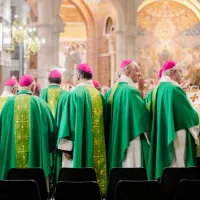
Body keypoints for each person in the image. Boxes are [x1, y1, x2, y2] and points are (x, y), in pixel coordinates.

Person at [56, 63, 107, 197]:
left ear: (78, 75)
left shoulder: (74, 94)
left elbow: (69, 123)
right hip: (99, 149)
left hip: (79, 147)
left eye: (73, 75)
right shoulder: (99, 95)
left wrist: (67, 148)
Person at [146, 60, 200, 180]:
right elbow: (190, 116)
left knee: (167, 170)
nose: (181, 76)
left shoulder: (156, 89)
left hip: (161, 135)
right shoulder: (174, 89)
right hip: (176, 135)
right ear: (174, 72)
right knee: (178, 165)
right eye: (180, 72)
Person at [0, 75, 57, 181]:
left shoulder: (7, 105)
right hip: (35, 161)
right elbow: (52, 132)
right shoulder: (41, 104)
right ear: (32, 87)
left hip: (11, 165)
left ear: (19, 87)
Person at [105, 60, 150, 173]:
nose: (139, 74)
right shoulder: (131, 91)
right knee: (132, 169)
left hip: (116, 139)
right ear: (128, 72)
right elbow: (143, 118)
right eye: (137, 70)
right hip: (131, 138)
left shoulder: (110, 92)